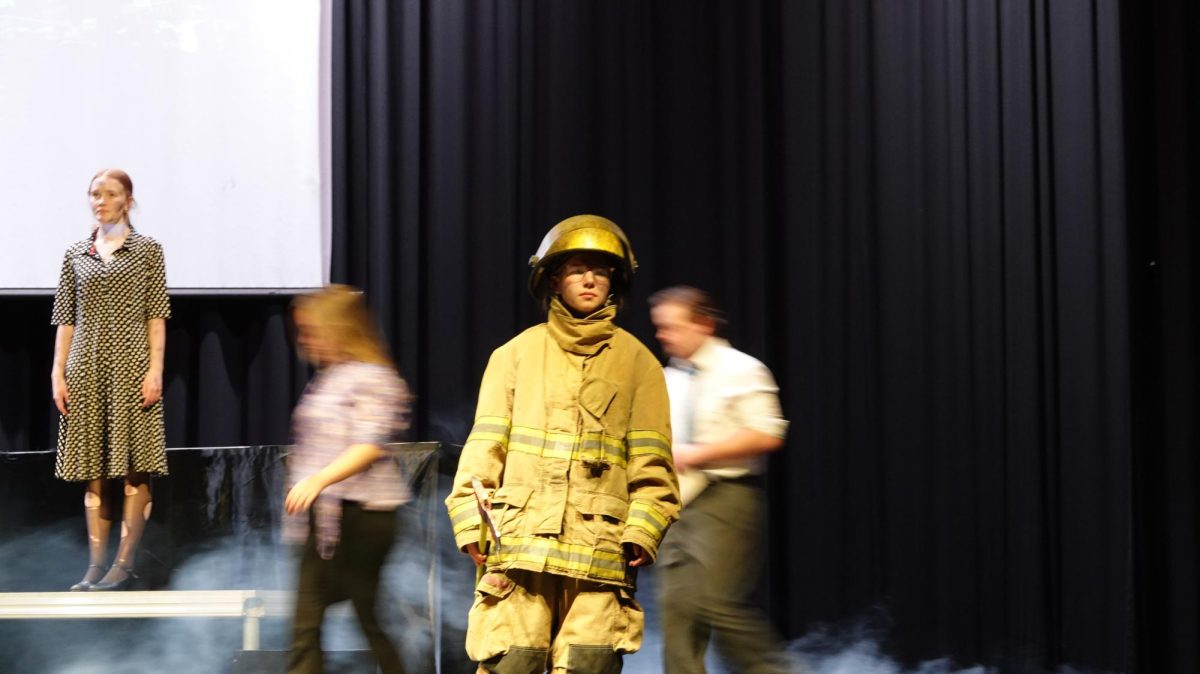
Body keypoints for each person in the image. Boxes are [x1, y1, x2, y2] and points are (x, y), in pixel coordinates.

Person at [446, 214, 680, 673]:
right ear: (552, 279)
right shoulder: (513, 356)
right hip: (519, 547)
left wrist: (642, 531)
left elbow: (654, 465)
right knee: (512, 662)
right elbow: (483, 449)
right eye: (576, 269)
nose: (589, 279)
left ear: (615, 280)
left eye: (601, 270)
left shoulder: (639, 364)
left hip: (600, 552)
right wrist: (470, 525)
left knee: (588, 665)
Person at [649, 285, 796, 674]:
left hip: (727, 498)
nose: (664, 336)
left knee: (715, 600)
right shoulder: (667, 378)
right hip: (677, 504)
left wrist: (700, 453)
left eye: (672, 327)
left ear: (704, 323)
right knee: (677, 608)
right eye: (660, 328)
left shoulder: (741, 368)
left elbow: (768, 432)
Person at [51, 168, 170, 591]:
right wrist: (57, 371)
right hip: (86, 366)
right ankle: (94, 566)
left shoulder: (147, 250)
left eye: (110, 194)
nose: (100, 201)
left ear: (127, 200)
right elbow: (65, 318)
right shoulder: (75, 254)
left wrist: (155, 370)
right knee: (93, 469)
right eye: (94, 194)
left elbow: (157, 316)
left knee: (134, 467)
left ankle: (124, 563)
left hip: (131, 366)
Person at [283, 285, 412, 674]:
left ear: (336, 328)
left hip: (363, 516)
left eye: (312, 330)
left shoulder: (374, 377)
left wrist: (318, 480)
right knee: (305, 622)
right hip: (321, 518)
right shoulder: (328, 379)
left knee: (365, 615)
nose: (305, 341)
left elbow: (369, 445)